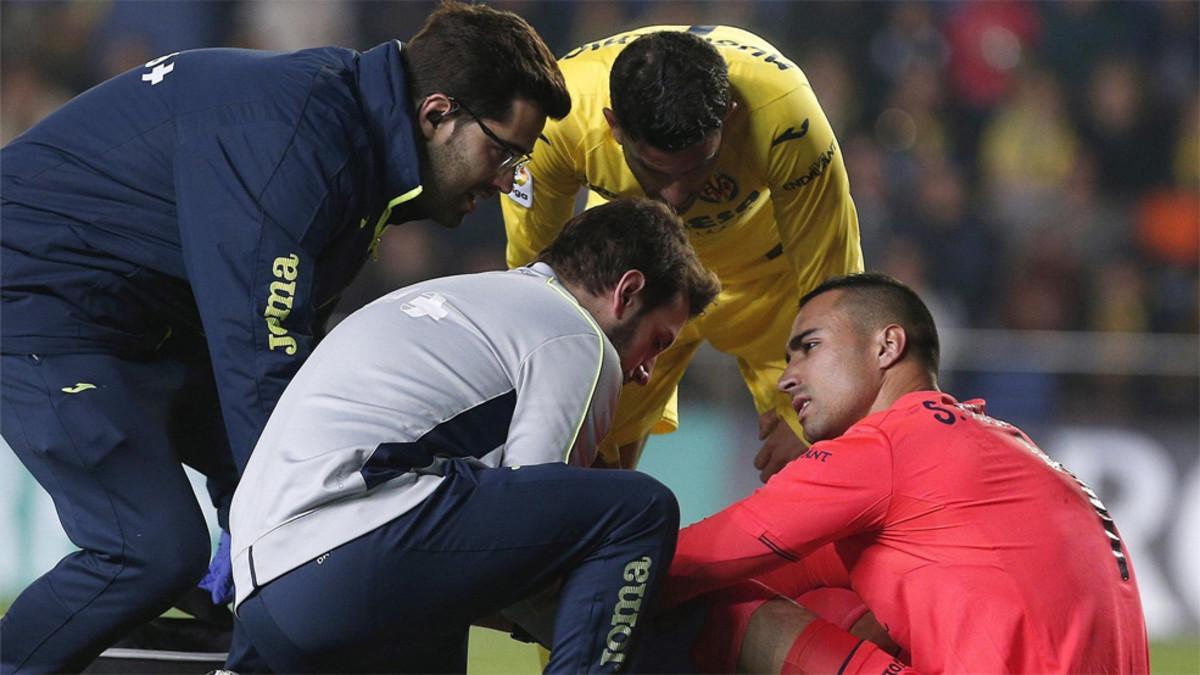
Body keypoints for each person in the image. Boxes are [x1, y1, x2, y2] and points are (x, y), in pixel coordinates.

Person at [0, 2, 570, 671]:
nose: (507, 180)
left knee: (284, 583)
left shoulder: (355, 149)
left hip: (141, 321)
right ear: (436, 113)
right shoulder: (304, 146)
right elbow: (259, 375)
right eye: (502, 152)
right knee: (152, 549)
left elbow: (288, 382)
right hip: (39, 301)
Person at [228, 198, 721, 672]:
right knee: (637, 507)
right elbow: (540, 546)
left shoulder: (472, 299)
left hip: (264, 598)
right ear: (627, 292)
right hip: (341, 561)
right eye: (658, 343)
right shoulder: (574, 335)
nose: (646, 373)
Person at [656, 273, 1149, 673]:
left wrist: (590, 564)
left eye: (809, 347)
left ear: (888, 345)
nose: (787, 378)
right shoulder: (991, 443)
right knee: (835, 607)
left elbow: (694, 560)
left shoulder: (890, 443)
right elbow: (801, 568)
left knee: (722, 613)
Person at [501, 26, 864, 480]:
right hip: (637, 278)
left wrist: (813, 409)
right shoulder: (558, 120)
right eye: (653, 169)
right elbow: (535, 284)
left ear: (729, 119)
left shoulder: (786, 117)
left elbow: (837, 285)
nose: (674, 198)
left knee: (831, 446)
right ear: (614, 127)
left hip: (769, 288)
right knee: (583, 453)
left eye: (698, 167)